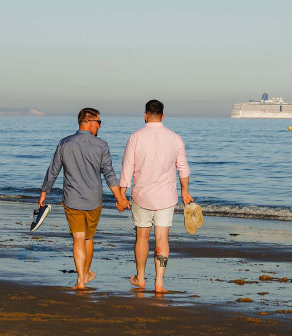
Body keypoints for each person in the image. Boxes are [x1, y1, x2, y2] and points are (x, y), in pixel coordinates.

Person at [39, 107, 130, 290]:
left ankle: (80, 280)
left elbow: (53, 171)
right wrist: (120, 198)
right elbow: (109, 174)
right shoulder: (101, 145)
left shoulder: (64, 143)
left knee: (77, 238)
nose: (99, 126)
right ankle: (86, 273)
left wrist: (44, 193)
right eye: (98, 122)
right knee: (88, 239)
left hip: (72, 200)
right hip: (93, 200)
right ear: (89, 122)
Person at [119, 99, 192, 293]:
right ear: (163, 116)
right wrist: (185, 192)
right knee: (162, 238)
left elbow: (127, 167)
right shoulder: (175, 138)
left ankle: (140, 278)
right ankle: (159, 283)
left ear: (145, 115)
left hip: (141, 195)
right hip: (166, 197)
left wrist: (122, 196)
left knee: (141, 236)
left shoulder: (135, 137)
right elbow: (183, 168)